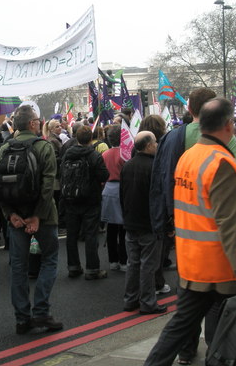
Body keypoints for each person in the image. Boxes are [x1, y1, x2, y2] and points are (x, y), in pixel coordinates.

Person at [144, 98, 236, 366]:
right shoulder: (222, 164)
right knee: (225, 337)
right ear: (228, 125)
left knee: (179, 329)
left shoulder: (189, 156)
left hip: (192, 264)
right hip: (220, 269)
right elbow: (231, 228)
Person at [0, 105, 62, 334]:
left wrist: (11, 215)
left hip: (16, 218)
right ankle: (41, 312)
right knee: (49, 259)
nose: (40, 123)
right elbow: (48, 185)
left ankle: (22, 319)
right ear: (32, 123)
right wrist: (37, 216)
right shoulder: (43, 147)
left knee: (18, 267)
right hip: (44, 216)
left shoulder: (3, 150)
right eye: (38, 120)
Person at [120, 131, 166, 314]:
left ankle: (130, 299)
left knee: (133, 263)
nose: (157, 145)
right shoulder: (154, 167)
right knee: (148, 264)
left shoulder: (127, 165)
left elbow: (122, 196)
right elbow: (158, 198)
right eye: (155, 142)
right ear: (148, 146)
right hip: (149, 223)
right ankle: (148, 302)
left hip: (131, 222)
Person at [61, 125, 110, 280]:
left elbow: (61, 172)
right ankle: (92, 269)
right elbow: (104, 175)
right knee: (90, 235)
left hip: (70, 199)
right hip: (90, 199)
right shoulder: (94, 155)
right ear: (90, 139)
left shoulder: (68, 154)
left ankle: (73, 267)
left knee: (72, 235)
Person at [101, 124, 127, 272]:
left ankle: (113, 260)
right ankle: (124, 261)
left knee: (111, 228)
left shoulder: (105, 154)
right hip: (121, 189)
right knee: (123, 228)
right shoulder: (125, 154)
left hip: (108, 190)